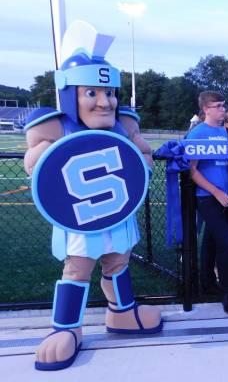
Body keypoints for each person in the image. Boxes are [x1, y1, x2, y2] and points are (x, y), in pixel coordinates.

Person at [24, 21, 161, 370]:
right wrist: (42, 154)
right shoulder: (56, 126)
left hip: (116, 213)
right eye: (92, 93)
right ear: (71, 94)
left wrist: (141, 159)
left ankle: (122, 313)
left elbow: (144, 155)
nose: (105, 102)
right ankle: (66, 327)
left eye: (110, 93)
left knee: (118, 261)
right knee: (77, 268)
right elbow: (34, 165)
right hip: (81, 218)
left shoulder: (125, 124)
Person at [187, 91, 228, 315]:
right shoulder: (197, 133)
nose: (222, 110)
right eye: (217, 106)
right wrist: (216, 192)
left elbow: (227, 166)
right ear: (206, 109)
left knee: (211, 241)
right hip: (208, 197)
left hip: (226, 197)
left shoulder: (223, 132)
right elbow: (192, 170)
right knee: (225, 243)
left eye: (223, 105)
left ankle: (206, 283)